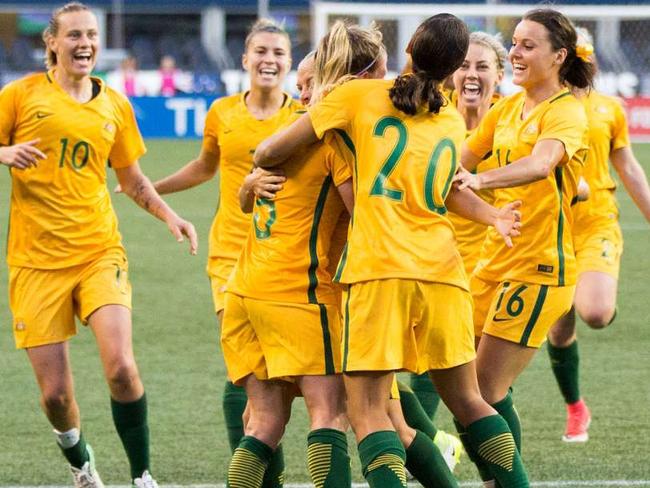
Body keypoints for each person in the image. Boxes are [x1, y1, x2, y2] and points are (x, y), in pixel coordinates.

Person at [255, 14, 530, 488]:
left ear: (407, 51)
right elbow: (445, 189)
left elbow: (266, 154)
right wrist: (493, 214)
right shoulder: (446, 117)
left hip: (379, 271)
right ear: (452, 71)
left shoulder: (358, 96)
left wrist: (256, 172)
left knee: (366, 414)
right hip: (443, 272)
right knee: (470, 402)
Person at [0, 3, 197, 487]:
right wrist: (3, 151)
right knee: (56, 398)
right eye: (73, 35)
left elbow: (131, 181)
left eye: (91, 35)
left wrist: (169, 215)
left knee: (122, 368)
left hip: (97, 251)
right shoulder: (20, 96)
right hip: (34, 262)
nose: (84, 43)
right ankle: (81, 465)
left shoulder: (115, 105)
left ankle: (142, 475)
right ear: (52, 43)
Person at [148, 18, 301, 487]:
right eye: (261, 51)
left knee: (282, 377)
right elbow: (204, 166)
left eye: (278, 52)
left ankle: (258, 465)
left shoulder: (302, 118)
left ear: (289, 62)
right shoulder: (221, 113)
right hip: (230, 257)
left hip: (284, 258)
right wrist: (151, 189)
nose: (269, 60)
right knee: (245, 371)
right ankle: (263, 477)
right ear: (245, 59)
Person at [453, 8, 592, 486]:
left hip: (538, 270)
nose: (515, 52)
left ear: (559, 56)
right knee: (458, 385)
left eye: (528, 45)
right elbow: (456, 163)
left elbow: (541, 164)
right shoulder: (506, 109)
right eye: (513, 43)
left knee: (482, 391)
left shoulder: (567, 111)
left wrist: (480, 179)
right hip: (492, 264)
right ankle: (496, 479)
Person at [546, 27, 650, 442]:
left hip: (596, 222)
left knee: (595, 313)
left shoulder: (609, 109)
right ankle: (576, 408)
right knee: (559, 328)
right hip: (550, 226)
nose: (585, 65)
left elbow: (628, 167)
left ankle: (598, 288)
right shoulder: (536, 107)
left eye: (588, 57)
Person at [410, 31, 508, 421]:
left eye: (482, 66)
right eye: (464, 65)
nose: (471, 74)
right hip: (436, 258)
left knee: (486, 381)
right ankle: (436, 442)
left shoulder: (514, 121)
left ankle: (493, 470)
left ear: (499, 75)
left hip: (495, 263)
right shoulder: (432, 113)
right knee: (426, 362)